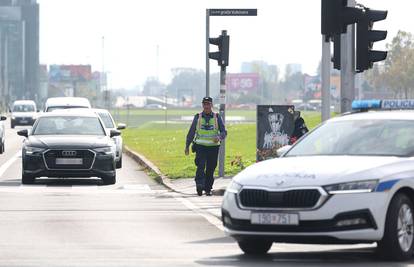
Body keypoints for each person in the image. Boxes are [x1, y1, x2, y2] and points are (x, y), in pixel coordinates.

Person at [185, 97, 227, 196]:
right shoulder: (198, 117)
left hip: (213, 147)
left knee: (211, 168)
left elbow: (224, 132)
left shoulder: (217, 117)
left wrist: (219, 137)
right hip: (200, 146)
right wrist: (187, 145)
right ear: (202, 105)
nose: (206, 106)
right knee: (200, 166)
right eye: (205, 104)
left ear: (211, 105)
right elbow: (191, 132)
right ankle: (199, 185)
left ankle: (208, 188)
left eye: (208, 104)